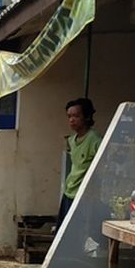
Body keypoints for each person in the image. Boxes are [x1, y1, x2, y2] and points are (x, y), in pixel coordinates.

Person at [59, 97, 102, 227]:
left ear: (87, 117)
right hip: (69, 192)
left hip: (84, 195)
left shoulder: (94, 139)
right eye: (69, 116)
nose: (72, 120)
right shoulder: (72, 140)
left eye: (76, 116)